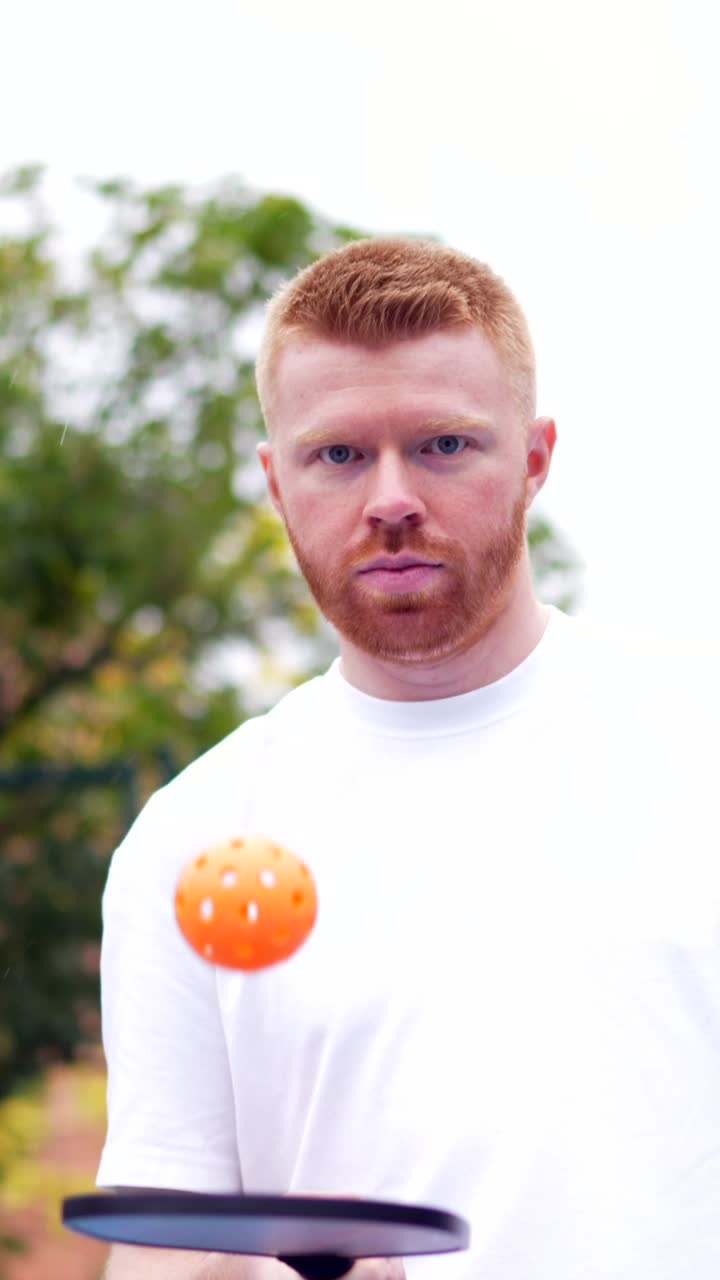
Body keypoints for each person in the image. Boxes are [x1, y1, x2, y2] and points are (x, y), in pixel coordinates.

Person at [97, 238, 720, 1280]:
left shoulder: (696, 757)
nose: (390, 496)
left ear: (533, 456)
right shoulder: (191, 834)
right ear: (275, 481)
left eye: (441, 444)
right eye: (337, 454)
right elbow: (166, 1249)